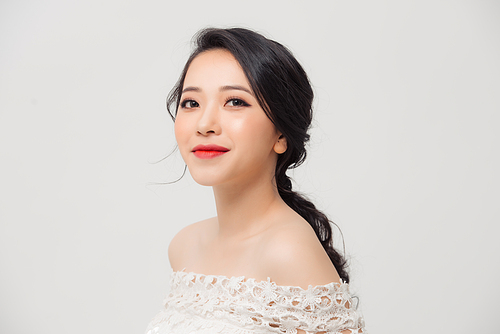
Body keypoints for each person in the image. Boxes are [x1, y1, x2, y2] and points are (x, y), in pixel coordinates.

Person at [145, 27, 365, 334]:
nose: (205, 124)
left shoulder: (288, 251)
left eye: (235, 102)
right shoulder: (185, 247)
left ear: (281, 134)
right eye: (191, 103)